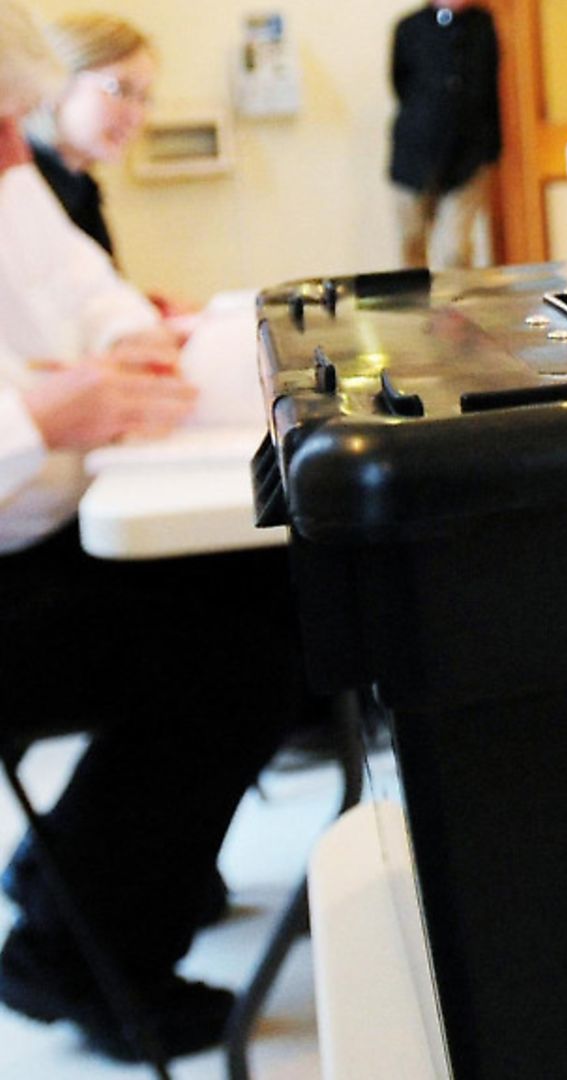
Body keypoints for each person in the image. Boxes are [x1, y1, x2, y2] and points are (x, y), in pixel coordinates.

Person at [1, 1, 294, 1060]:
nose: (12, 150)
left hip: (33, 532)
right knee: (226, 656)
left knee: (267, 592)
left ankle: (74, 883)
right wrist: (38, 415)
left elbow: (85, 290)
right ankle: (79, 958)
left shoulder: (7, 162)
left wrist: (136, 347)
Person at [27, 12, 153, 260]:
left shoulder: (80, 187)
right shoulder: (22, 189)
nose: (136, 116)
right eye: (120, 89)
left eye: (144, 97)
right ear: (56, 82)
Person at [388, 0, 501, 268]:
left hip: (467, 157)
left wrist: (491, 151)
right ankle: (417, 310)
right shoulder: (409, 28)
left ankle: (458, 311)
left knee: (457, 250)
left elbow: (490, 88)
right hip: (413, 156)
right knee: (412, 245)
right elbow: (400, 84)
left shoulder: (482, 26)